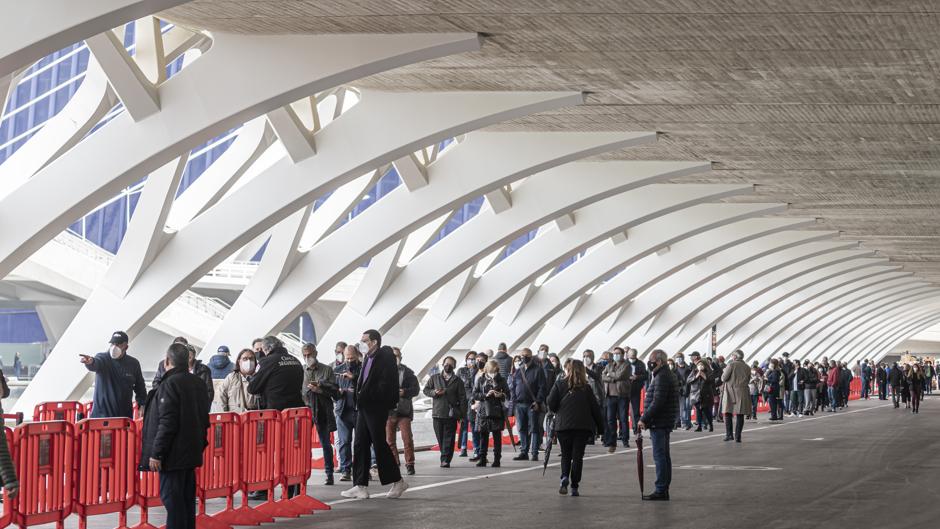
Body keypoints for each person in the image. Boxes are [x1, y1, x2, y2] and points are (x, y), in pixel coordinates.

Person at [140, 342, 210, 529]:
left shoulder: (169, 384)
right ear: (188, 361)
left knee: (173, 502)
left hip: (172, 456)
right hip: (191, 452)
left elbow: (167, 422)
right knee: (186, 503)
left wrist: (157, 453)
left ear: (167, 361)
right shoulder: (198, 383)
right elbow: (204, 418)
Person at [341, 330, 408, 500]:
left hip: (375, 407)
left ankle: (398, 481)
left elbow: (385, 384)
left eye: (364, 340)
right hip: (364, 406)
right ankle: (360, 485)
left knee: (379, 444)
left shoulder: (384, 357)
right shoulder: (367, 359)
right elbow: (367, 382)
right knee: (360, 444)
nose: (361, 343)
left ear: (374, 342)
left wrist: (367, 395)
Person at [547, 359, 604, 497]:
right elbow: (595, 409)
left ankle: (564, 476)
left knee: (565, 455)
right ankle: (575, 486)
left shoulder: (559, 384)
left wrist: (558, 410)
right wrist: (601, 428)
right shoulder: (587, 388)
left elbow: (550, 403)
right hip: (582, 426)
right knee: (578, 456)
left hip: (563, 426)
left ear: (567, 369)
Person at [637, 350, 679, 501]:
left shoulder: (662, 376)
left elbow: (658, 401)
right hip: (664, 420)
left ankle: (661, 489)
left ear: (659, 361)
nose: (650, 362)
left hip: (660, 421)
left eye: (652, 360)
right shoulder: (666, 374)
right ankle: (663, 487)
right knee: (664, 456)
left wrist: (644, 418)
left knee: (659, 456)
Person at [79, 331, 147, 419]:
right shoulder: (103, 358)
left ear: (126, 347)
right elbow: (95, 364)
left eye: (118, 344)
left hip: (124, 417)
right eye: (112, 344)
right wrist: (90, 362)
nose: (114, 347)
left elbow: (140, 386)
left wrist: (142, 405)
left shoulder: (133, 364)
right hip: (100, 417)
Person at [302, 343, 340, 485]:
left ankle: (329, 473)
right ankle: (302, 474)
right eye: (305, 355)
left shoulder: (327, 370)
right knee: (303, 444)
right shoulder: (301, 371)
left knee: (325, 442)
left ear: (316, 353)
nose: (307, 357)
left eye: (309, 355)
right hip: (306, 409)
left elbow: (335, 392)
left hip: (323, 409)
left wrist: (321, 390)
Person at [423, 356, 466, 468]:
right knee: (441, 438)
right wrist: (434, 392)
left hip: (451, 414)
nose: (448, 366)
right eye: (446, 363)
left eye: (451, 364)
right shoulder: (434, 378)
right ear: (443, 364)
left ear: (454, 366)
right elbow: (426, 390)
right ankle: (445, 456)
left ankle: (445, 460)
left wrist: (462, 414)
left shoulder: (458, 381)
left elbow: (462, 398)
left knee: (449, 438)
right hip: (437, 413)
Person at [510, 348, 548, 461]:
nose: (524, 357)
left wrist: (538, 401)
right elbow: (513, 386)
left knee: (534, 428)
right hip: (520, 404)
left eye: (526, 355)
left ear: (531, 357)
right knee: (522, 428)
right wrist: (514, 400)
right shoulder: (518, 370)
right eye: (522, 355)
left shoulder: (538, 370)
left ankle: (534, 452)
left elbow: (542, 387)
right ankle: (524, 452)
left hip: (532, 404)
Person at [247, 336, 304, 411]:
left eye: (263, 349)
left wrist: (251, 378)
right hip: (296, 410)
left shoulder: (267, 362)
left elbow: (252, 388)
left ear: (267, 349)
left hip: (277, 413)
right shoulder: (296, 360)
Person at [387, 347, 419, 475]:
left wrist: (405, 392)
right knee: (389, 441)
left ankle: (410, 464)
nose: (396, 358)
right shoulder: (383, 371)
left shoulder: (408, 372)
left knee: (407, 439)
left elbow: (416, 390)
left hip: (404, 411)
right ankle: (395, 464)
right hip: (389, 411)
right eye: (393, 356)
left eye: (398, 355)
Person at [472, 360, 509, 468]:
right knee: (483, 436)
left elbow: (508, 394)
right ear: (487, 370)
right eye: (491, 371)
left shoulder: (501, 380)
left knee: (497, 436)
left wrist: (500, 395)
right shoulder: (480, 379)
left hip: (497, 410)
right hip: (483, 410)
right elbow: (474, 394)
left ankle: (497, 459)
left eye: (495, 371)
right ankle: (482, 458)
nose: (493, 373)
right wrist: (485, 395)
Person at [334, 344, 361, 482]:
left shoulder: (363, 369)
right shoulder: (337, 370)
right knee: (344, 442)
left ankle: (362, 469)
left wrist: (354, 378)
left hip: (359, 411)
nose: (349, 360)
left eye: (352, 357)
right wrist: (337, 392)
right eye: (347, 358)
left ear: (357, 356)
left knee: (361, 442)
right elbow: (332, 389)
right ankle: (346, 469)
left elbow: (368, 386)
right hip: (342, 410)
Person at [601, 347, 631, 452]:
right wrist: (611, 377)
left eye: (618, 353)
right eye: (614, 354)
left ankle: (625, 439)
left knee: (623, 418)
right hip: (610, 395)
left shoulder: (626, 365)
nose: (616, 355)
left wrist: (610, 375)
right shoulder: (610, 365)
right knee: (610, 419)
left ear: (622, 354)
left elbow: (620, 376)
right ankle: (612, 441)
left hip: (622, 395)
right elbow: (603, 375)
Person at [720, 350, 751, 442]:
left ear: (735, 356)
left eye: (732, 355)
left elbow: (724, 378)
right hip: (743, 392)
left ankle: (729, 435)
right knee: (740, 414)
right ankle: (738, 436)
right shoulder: (747, 367)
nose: (732, 357)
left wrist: (724, 372)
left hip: (730, 391)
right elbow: (748, 379)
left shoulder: (731, 365)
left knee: (728, 413)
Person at [456, 351, 478, 459]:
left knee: (474, 426)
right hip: (463, 402)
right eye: (469, 358)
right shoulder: (461, 371)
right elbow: (456, 386)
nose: (471, 360)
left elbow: (477, 387)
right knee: (463, 427)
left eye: (473, 358)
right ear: (466, 359)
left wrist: (474, 371)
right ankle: (463, 448)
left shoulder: (478, 372)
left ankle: (476, 449)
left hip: (474, 402)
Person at [687, 357, 714, 431]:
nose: (700, 366)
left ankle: (710, 425)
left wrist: (704, 376)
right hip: (696, 394)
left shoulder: (709, 372)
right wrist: (696, 376)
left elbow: (711, 381)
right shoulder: (694, 371)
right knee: (698, 410)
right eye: (699, 364)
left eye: (702, 364)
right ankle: (699, 426)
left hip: (706, 394)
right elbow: (688, 380)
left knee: (706, 411)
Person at [626, 348, 648, 435]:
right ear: (628, 355)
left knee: (636, 411)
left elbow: (645, 375)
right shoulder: (624, 363)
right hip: (625, 390)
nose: (632, 358)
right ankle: (623, 432)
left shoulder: (641, 364)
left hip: (636, 389)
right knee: (623, 412)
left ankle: (637, 430)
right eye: (631, 356)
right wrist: (628, 377)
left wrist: (637, 377)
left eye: (634, 356)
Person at [673, 353, 692, 430]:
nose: (679, 359)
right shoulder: (674, 369)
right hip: (676, 390)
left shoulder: (688, 368)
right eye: (677, 358)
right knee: (677, 408)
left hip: (686, 390)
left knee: (684, 408)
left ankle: (684, 423)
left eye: (680, 357)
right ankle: (677, 423)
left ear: (683, 358)